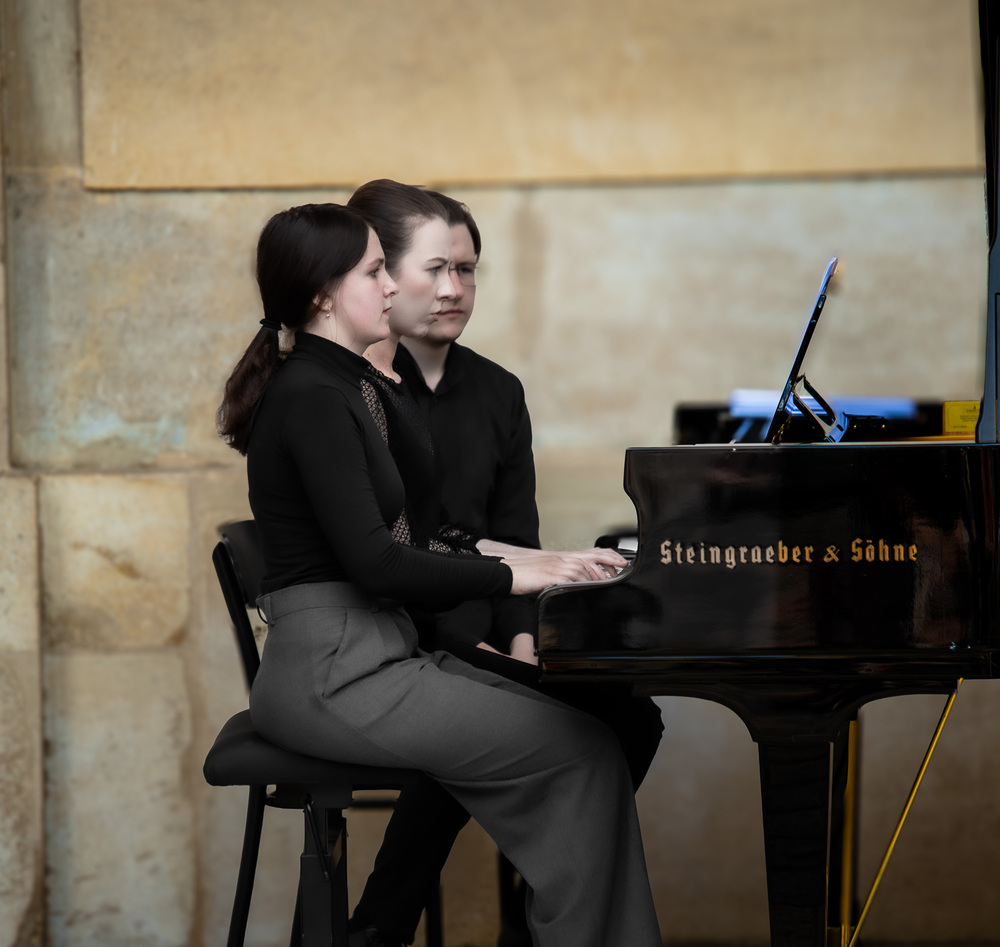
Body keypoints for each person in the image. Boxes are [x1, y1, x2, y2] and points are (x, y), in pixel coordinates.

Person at [216, 202, 662, 947]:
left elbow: (421, 533)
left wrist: (539, 561)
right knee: (581, 751)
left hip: (372, 653)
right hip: (335, 672)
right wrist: (511, 579)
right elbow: (379, 561)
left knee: (591, 736)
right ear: (324, 294)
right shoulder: (313, 395)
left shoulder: (352, 384)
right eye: (373, 272)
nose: (391, 286)